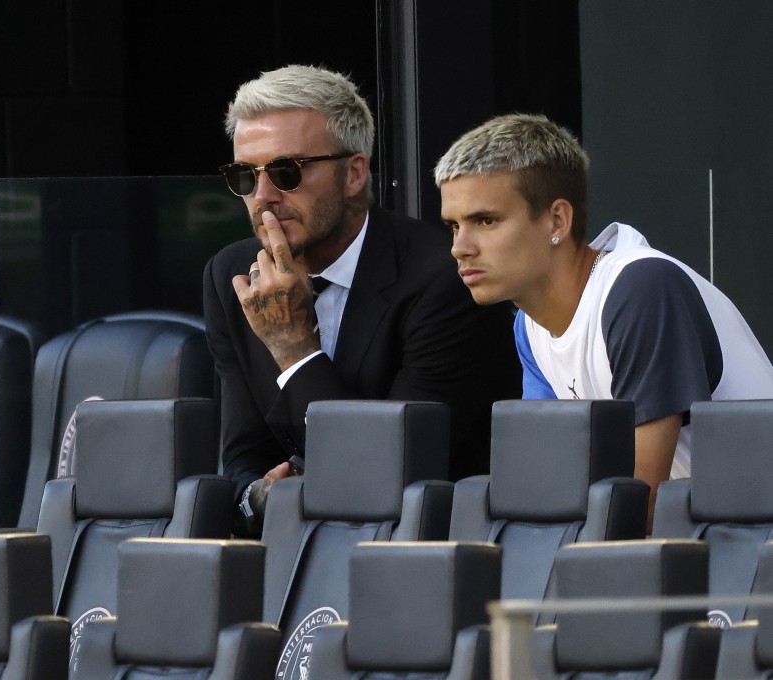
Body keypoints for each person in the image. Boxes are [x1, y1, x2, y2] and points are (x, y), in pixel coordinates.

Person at [203, 65, 521, 536]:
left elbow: (387, 471)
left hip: (425, 548)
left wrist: (293, 348)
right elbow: (242, 456)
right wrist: (261, 497)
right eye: (245, 176)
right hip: (291, 548)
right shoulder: (232, 276)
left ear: (353, 174)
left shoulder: (442, 280)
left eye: (287, 172)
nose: (263, 196)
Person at [436, 113, 773, 528]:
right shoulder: (529, 326)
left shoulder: (641, 289)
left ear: (557, 221)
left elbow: (641, 505)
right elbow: (550, 486)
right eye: (453, 226)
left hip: (751, 542)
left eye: (485, 221)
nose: (460, 247)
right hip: (710, 538)